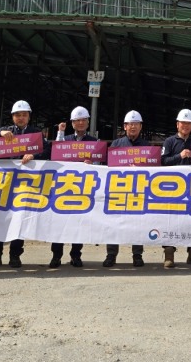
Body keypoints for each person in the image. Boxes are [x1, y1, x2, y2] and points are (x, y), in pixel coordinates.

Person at [0, 99, 49, 269]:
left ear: (29, 117)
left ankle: (15, 256)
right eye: (18, 115)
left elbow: (48, 150)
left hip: (24, 183)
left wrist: (34, 156)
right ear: (12, 117)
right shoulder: (6, 131)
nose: (21, 118)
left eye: (24, 115)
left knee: (19, 218)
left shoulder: (36, 134)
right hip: (3, 182)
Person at [161, 108, 191, 268]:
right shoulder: (169, 142)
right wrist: (179, 156)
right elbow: (163, 162)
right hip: (172, 189)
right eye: (183, 123)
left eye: (189, 123)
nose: (185, 126)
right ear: (177, 124)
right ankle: (169, 254)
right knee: (170, 221)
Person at [49, 105, 93, 268]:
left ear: (87, 122)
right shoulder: (65, 139)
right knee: (59, 223)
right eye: (77, 120)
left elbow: (99, 163)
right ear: (72, 123)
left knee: (78, 224)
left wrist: (92, 163)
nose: (80, 123)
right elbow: (56, 155)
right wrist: (60, 132)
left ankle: (76, 255)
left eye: (83, 120)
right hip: (63, 187)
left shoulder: (93, 142)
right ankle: (56, 256)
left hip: (82, 188)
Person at [103, 110, 147, 268]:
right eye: (130, 124)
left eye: (136, 124)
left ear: (140, 126)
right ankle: (111, 255)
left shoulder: (146, 147)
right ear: (125, 126)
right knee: (114, 222)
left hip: (138, 191)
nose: (133, 127)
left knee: (138, 223)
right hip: (118, 190)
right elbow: (107, 166)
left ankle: (137, 255)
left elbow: (153, 168)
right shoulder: (116, 145)